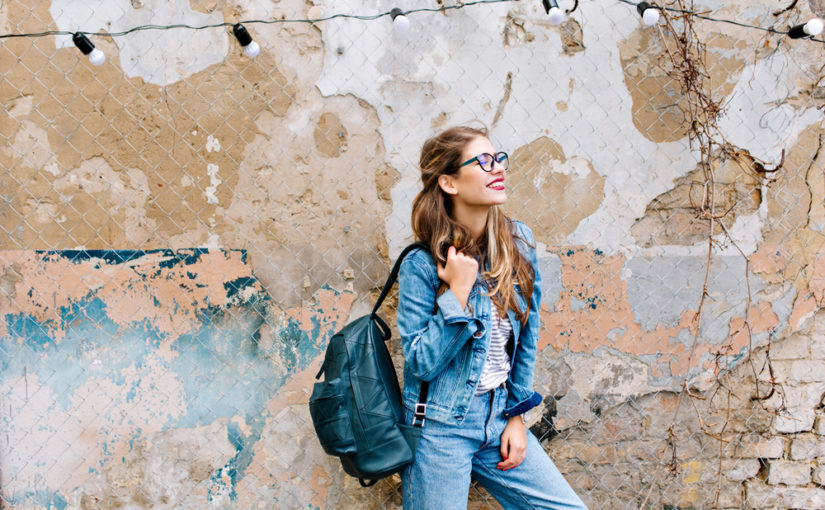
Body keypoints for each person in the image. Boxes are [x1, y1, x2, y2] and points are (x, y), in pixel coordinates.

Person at [397, 126, 588, 509]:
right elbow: (420, 362)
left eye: (499, 158)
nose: (497, 168)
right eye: (483, 161)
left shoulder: (519, 244)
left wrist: (517, 416)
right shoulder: (421, 264)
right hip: (439, 427)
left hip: (498, 416)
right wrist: (457, 294)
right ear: (449, 182)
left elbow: (527, 337)